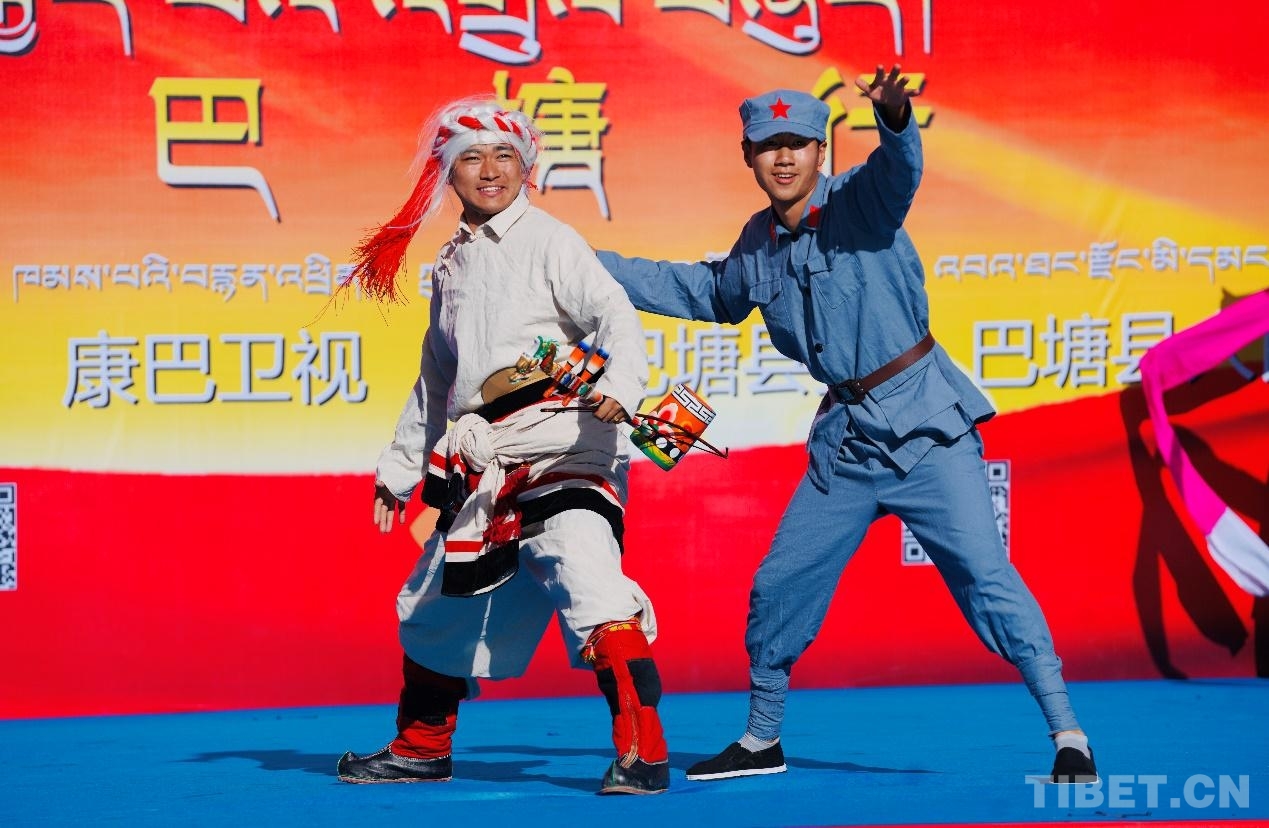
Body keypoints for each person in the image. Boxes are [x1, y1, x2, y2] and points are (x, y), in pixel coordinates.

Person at [595, 66, 1098, 784]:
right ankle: (762, 739)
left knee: (986, 580)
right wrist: (585, 264)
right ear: (747, 156)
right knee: (780, 584)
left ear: (820, 152)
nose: (784, 158)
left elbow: (899, 173)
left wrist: (895, 123)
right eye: (768, 146)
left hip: (929, 431)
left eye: (798, 144)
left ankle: (1067, 733)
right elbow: (706, 292)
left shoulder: (860, 204)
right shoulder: (757, 241)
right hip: (848, 447)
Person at [335, 96, 669, 795]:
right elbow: (437, 379)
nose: (490, 170)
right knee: (433, 608)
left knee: (590, 582)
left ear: (526, 167)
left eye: (504, 156)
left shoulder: (550, 240)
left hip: (564, 451)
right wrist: (399, 469)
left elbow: (614, 313)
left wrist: (622, 385)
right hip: (485, 465)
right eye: (472, 158)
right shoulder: (452, 263)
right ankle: (422, 748)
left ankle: (644, 753)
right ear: (447, 174)